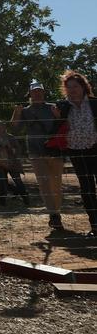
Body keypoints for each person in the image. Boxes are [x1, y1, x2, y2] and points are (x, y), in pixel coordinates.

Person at [11, 80, 64, 228]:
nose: (37, 93)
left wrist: (59, 116)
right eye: (34, 91)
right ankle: (53, 215)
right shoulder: (26, 111)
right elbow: (15, 127)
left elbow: (63, 126)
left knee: (56, 185)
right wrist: (16, 112)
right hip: (35, 152)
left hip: (55, 151)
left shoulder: (53, 107)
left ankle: (56, 211)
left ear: (44, 92)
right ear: (30, 94)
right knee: (44, 184)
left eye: (39, 91)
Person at [56, 70, 97, 237]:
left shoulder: (95, 103)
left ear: (84, 87)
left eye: (76, 86)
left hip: (95, 149)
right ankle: (95, 225)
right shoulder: (62, 106)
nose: (73, 89)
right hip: (75, 151)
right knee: (87, 189)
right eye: (69, 86)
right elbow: (56, 127)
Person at [0, 121, 30, 206]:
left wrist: (9, 147)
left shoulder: (11, 137)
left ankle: (26, 200)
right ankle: (2, 202)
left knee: (17, 180)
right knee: (1, 182)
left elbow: (18, 150)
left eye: (0, 126)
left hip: (12, 163)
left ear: (4, 127)